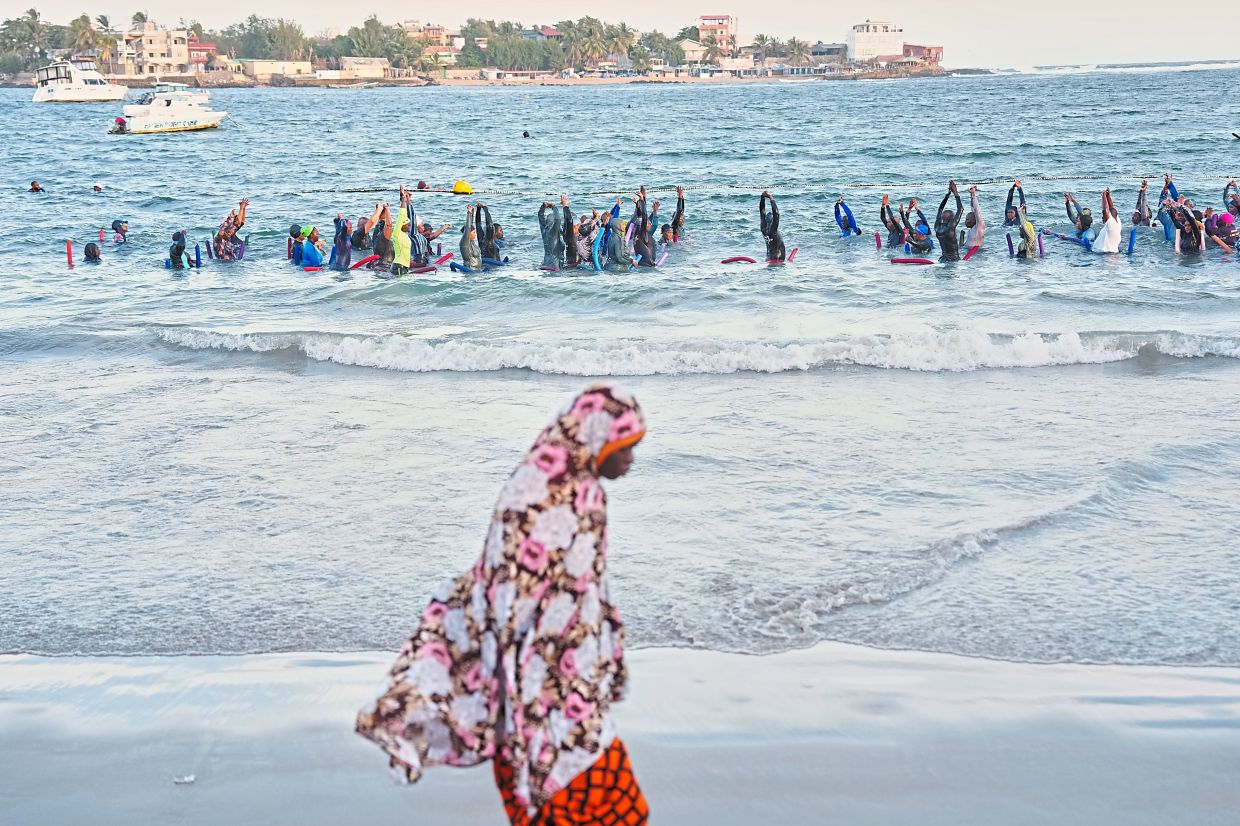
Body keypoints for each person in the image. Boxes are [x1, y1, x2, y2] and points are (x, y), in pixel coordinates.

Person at [356, 383, 650, 826]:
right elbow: (504, 590)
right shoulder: (534, 492)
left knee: (612, 806)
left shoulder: (588, 494)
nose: (630, 460)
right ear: (595, 435)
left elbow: (588, 590)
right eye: (626, 447)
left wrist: (604, 656)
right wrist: (527, 681)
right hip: (535, 682)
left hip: (575, 675)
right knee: (598, 801)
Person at [935, 182, 963, 261]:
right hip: (953, 260)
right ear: (952, 218)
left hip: (942, 259)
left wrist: (947, 195)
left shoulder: (937, 227)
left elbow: (940, 209)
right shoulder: (950, 228)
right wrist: (955, 193)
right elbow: (960, 209)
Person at [538, 197, 566, 269]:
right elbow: (558, 220)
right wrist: (554, 207)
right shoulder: (553, 231)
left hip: (545, 264)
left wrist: (543, 207)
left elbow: (540, 216)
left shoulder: (544, 230)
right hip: (554, 266)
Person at [632, 192, 658, 267]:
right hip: (648, 267)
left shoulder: (638, 233)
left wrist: (638, 205)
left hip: (641, 265)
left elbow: (641, 216)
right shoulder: (643, 234)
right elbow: (644, 216)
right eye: (648, 223)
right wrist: (642, 200)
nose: (650, 225)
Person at [1092, 189, 1122, 253]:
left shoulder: (1111, 225)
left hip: (1106, 256)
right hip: (1108, 253)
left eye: (1103, 217)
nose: (1103, 218)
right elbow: (1111, 208)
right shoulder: (1117, 222)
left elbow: (1105, 210)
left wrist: (1103, 196)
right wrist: (1108, 196)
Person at [760, 191, 786, 262]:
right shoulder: (773, 230)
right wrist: (771, 197)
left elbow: (762, 212)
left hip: (769, 258)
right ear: (772, 221)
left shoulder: (763, 229)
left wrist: (762, 198)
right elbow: (776, 214)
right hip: (778, 260)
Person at [963, 186, 985, 252]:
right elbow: (973, 208)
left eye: (967, 220)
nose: (965, 222)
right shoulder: (972, 229)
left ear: (974, 220)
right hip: (967, 251)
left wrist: (974, 194)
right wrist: (971, 195)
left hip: (975, 253)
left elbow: (976, 210)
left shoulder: (979, 227)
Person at [461, 204, 483, 271]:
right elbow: (468, 228)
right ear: (467, 234)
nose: (475, 234)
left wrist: (472, 212)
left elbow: (471, 225)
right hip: (470, 272)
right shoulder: (464, 243)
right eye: (473, 233)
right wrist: (469, 212)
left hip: (478, 271)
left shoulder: (472, 242)